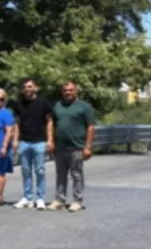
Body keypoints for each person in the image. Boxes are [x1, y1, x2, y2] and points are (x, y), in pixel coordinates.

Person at [48, 81, 95, 212]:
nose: (68, 92)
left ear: (76, 91)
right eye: (65, 90)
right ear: (62, 92)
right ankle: (59, 200)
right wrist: (51, 140)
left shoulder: (84, 107)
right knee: (60, 174)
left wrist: (88, 147)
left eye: (70, 90)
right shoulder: (57, 106)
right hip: (60, 146)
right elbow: (51, 123)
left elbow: (91, 126)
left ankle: (77, 200)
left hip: (77, 146)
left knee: (76, 175)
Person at [12, 79, 53, 210]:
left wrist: (50, 139)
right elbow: (17, 123)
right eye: (25, 87)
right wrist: (15, 140)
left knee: (40, 171)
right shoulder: (19, 103)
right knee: (25, 171)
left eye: (30, 86)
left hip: (39, 141)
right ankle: (27, 198)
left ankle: (40, 198)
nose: (27, 89)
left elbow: (49, 121)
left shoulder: (43, 102)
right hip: (24, 141)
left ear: (36, 88)